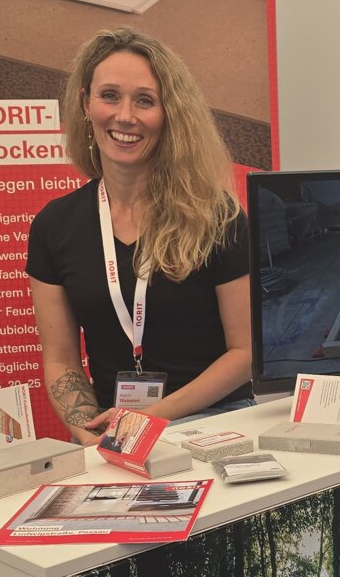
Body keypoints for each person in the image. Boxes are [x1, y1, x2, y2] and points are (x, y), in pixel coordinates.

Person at [26, 28, 252, 444]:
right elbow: (60, 361)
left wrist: (148, 419)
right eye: (109, 96)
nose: (125, 116)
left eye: (145, 100)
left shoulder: (217, 216)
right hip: (112, 430)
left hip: (214, 421)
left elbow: (245, 352)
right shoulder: (53, 226)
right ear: (86, 103)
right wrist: (89, 433)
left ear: (169, 113)